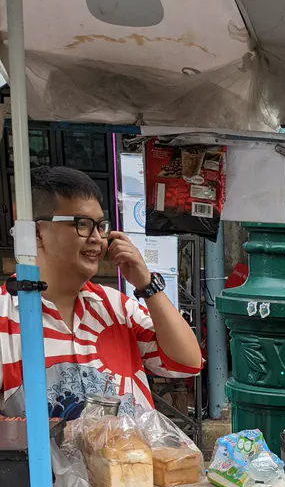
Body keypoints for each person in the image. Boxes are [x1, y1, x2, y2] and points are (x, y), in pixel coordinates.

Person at [0, 165, 202, 419]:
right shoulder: (4, 317)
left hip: (132, 458)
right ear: (37, 232)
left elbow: (187, 363)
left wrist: (148, 286)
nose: (96, 238)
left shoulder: (117, 307)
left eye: (101, 226)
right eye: (82, 224)